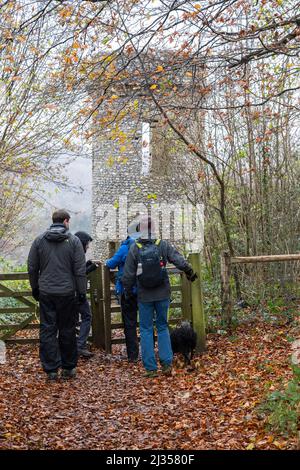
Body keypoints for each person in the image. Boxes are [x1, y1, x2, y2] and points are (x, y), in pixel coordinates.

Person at [122, 215, 197, 378]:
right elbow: (178, 259)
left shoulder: (135, 248)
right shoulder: (162, 245)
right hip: (163, 292)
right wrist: (189, 271)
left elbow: (128, 274)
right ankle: (167, 364)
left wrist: (127, 292)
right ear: (153, 228)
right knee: (163, 326)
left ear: (140, 230)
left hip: (144, 295)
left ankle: (150, 368)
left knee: (146, 329)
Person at [28, 209, 87, 381]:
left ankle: (51, 370)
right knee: (67, 329)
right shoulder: (74, 241)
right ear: (66, 221)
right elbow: (80, 270)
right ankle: (68, 368)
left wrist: (35, 288)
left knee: (47, 330)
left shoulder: (39, 241)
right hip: (67, 293)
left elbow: (32, 267)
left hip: (46, 292)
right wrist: (81, 291)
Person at [105, 231, 139, 363]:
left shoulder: (125, 247)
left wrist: (107, 261)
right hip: (144, 290)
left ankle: (133, 355)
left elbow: (111, 263)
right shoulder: (144, 245)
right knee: (147, 323)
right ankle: (149, 352)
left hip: (127, 290)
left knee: (129, 323)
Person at [74, 231, 98, 358]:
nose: (88, 246)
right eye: (87, 244)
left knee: (71, 319)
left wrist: (87, 264)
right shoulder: (77, 253)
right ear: (82, 243)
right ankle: (80, 346)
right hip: (76, 292)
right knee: (87, 316)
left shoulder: (70, 250)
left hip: (68, 292)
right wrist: (90, 268)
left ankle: (73, 346)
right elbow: (77, 274)